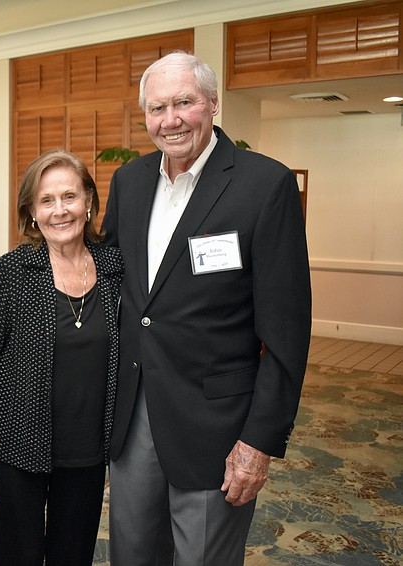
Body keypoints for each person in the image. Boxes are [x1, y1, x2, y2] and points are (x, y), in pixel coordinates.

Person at [101, 51, 312, 566]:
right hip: (133, 418)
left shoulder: (265, 185)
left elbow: (287, 331)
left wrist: (258, 441)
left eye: (183, 103)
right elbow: (114, 287)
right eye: (156, 108)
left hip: (218, 426)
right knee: (131, 555)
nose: (169, 120)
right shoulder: (128, 183)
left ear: (213, 104)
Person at [0, 150, 123, 565]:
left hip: (88, 452)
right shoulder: (14, 271)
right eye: (46, 201)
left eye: (69, 196)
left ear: (88, 201)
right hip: (17, 449)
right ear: (32, 212)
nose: (59, 210)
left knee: (74, 557)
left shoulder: (114, 268)